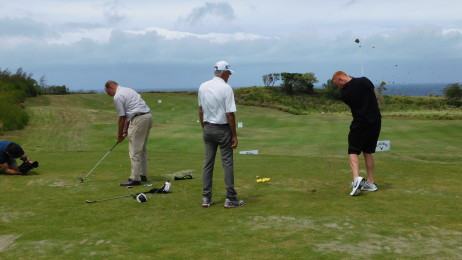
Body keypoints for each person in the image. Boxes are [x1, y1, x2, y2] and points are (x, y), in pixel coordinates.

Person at [198, 61, 244, 208]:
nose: (229, 76)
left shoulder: (203, 86)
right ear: (224, 73)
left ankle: (206, 198)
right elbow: (229, 114)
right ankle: (230, 198)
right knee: (227, 163)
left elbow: (201, 110)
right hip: (222, 129)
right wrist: (234, 135)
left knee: (208, 163)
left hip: (208, 128)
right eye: (229, 73)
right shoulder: (226, 88)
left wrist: (204, 128)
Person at [332, 71, 382, 196]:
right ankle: (370, 182)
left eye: (337, 84)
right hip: (375, 122)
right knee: (368, 151)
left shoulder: (345, 95)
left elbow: (353, 90)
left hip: (360, 123)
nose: (339, 87)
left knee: (353, 151)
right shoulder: (365, 81)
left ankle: (356, 179)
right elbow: (369, 87)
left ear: (341, 79)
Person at [104, 80, 153, 186]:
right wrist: (125, 130)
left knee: (135, 151)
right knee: (142, 148)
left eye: (108, 92)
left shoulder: (117, 96)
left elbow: (121, 118)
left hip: (139, 120)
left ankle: (135, 179)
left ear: (110, 87)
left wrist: (119, 135)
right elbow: (127, 115)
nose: (109, 95)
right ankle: (142, 175)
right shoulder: (128, 90)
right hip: (147, 117)